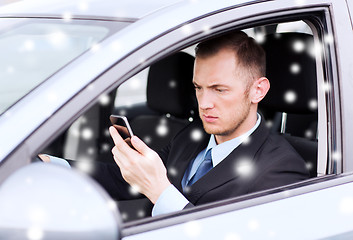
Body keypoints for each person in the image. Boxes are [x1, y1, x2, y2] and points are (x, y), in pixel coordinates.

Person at [41, 31, 310, 216]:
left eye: (219, 89)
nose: (204, 103)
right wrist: (51, 166)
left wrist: (160, 192)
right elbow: (126, 180)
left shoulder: (283, 171)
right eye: (198, 87)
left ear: (257, 91)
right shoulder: (192, 135)